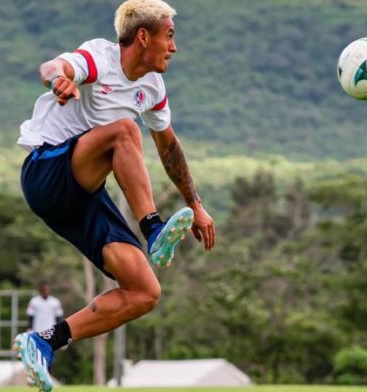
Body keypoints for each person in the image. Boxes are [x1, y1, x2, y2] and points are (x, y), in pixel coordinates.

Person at [12, 1, 216, 390]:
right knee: (124, 130)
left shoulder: (153, 87)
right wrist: (58, 81)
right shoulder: (100, 59)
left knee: (144, 291)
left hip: (81, 196)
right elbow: (53, 66)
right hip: (46, 172)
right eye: (169, 36)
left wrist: (196, 206)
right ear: (144, 36)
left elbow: (169, 148)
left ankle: (44, 343)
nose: (173, 47)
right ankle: (153, 229)